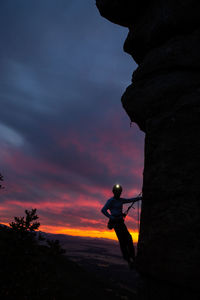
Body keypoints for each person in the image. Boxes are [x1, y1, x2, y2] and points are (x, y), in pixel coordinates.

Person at [101, 184, 142, 269]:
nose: (118, 193)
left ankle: (132, 258)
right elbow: (103, 210)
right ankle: (129, 260)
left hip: (120, 221)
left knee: (128, 238)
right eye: (117, 192)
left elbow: (130, 200)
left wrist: (139, 198)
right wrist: (111, 217)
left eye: (119, 192)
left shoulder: (120, 200)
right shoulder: (111, 201)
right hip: (116, 222)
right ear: (114, 192)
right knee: (123, 240)